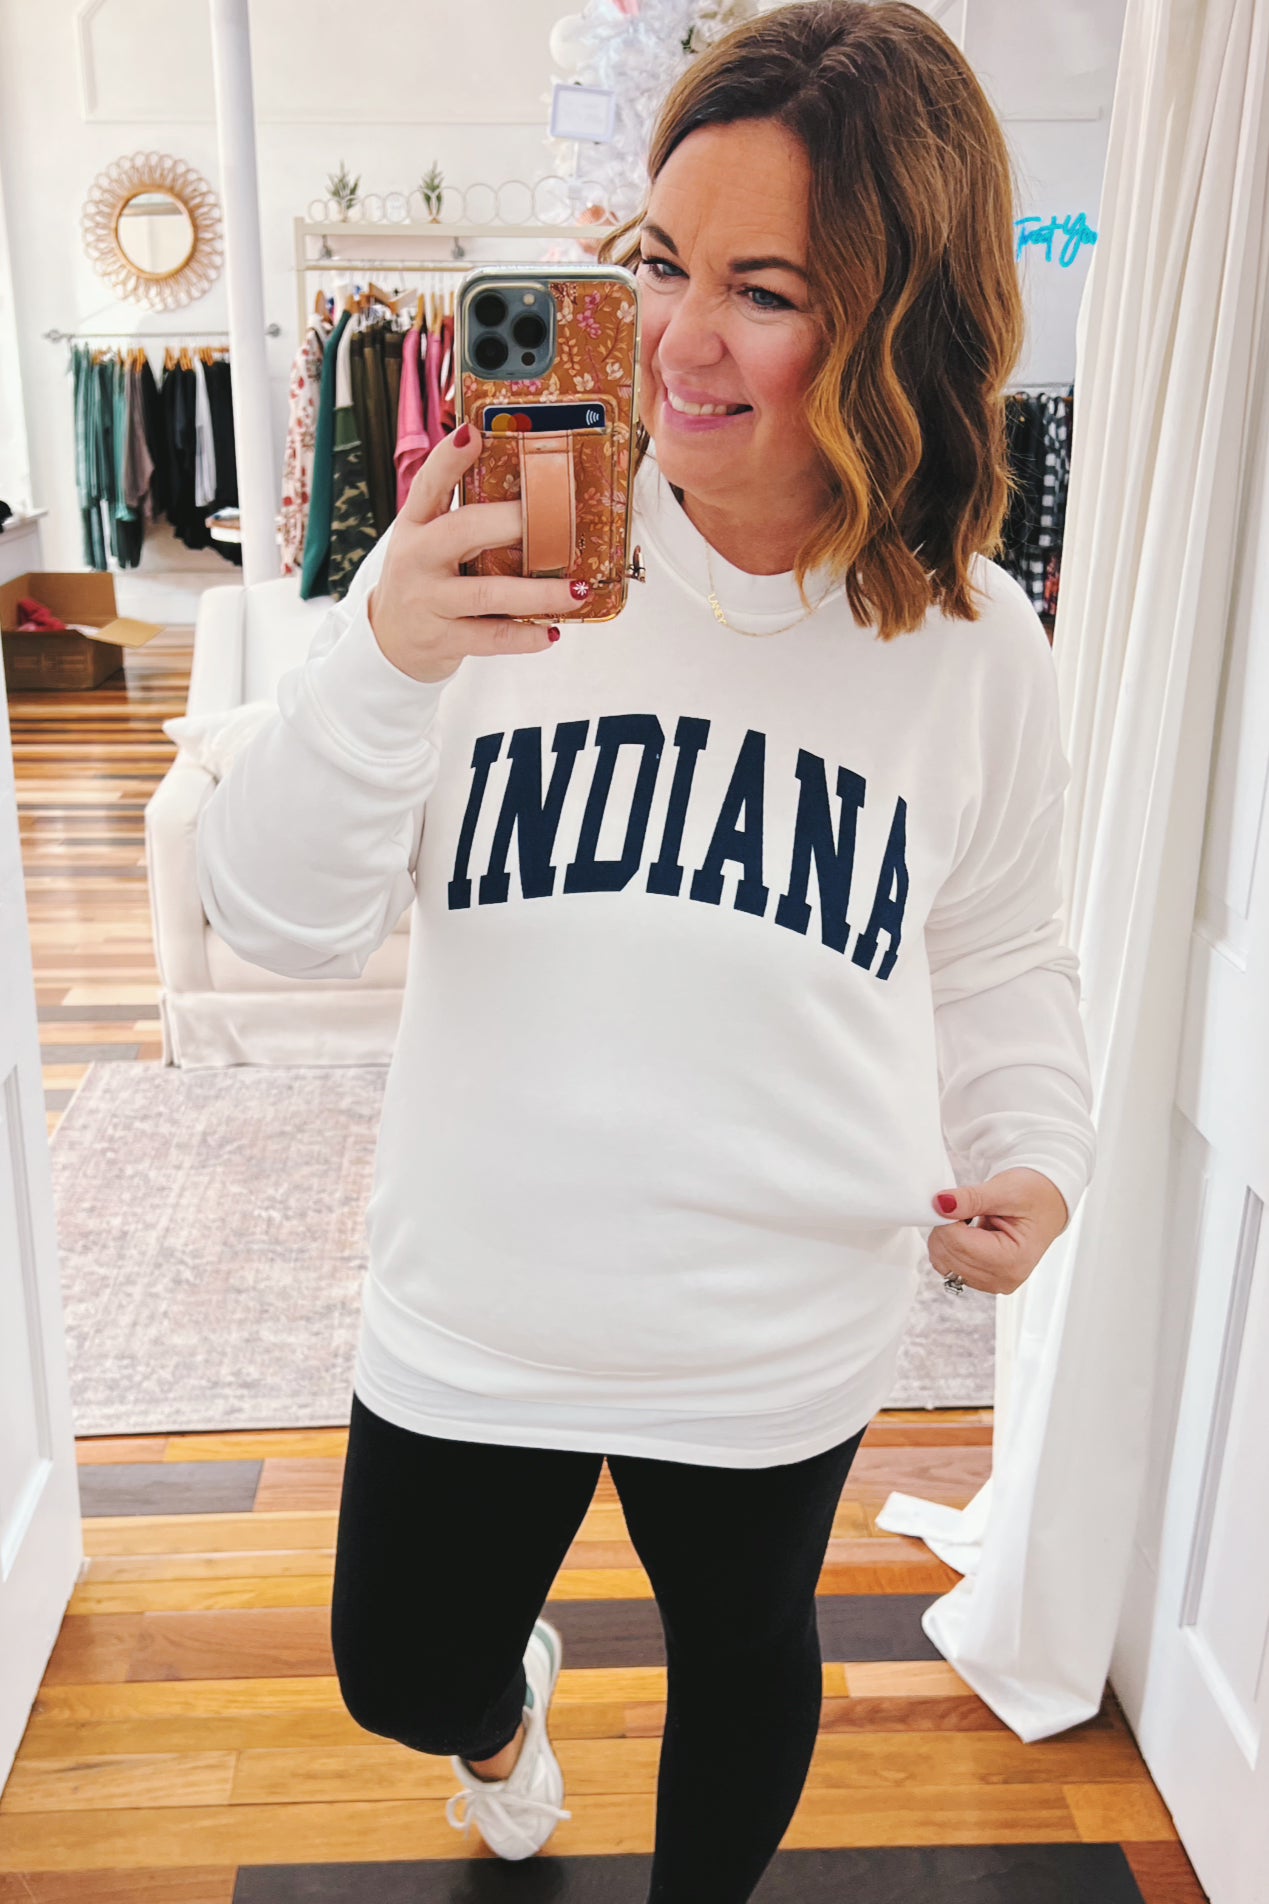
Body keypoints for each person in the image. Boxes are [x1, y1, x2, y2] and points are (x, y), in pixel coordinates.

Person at [196, 2, 1097, 1895]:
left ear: (900, 320)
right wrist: (387, 657)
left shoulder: (972, 643)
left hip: (776, 1312)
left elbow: (1002, 941)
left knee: (745, 1658)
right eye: (660, 261)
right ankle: (500, 1716)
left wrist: (1034, 1151)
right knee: (397, 1670)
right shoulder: (488, 560)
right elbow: (277, 921)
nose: (680, 340)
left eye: (762, 290)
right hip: (482, 1302)